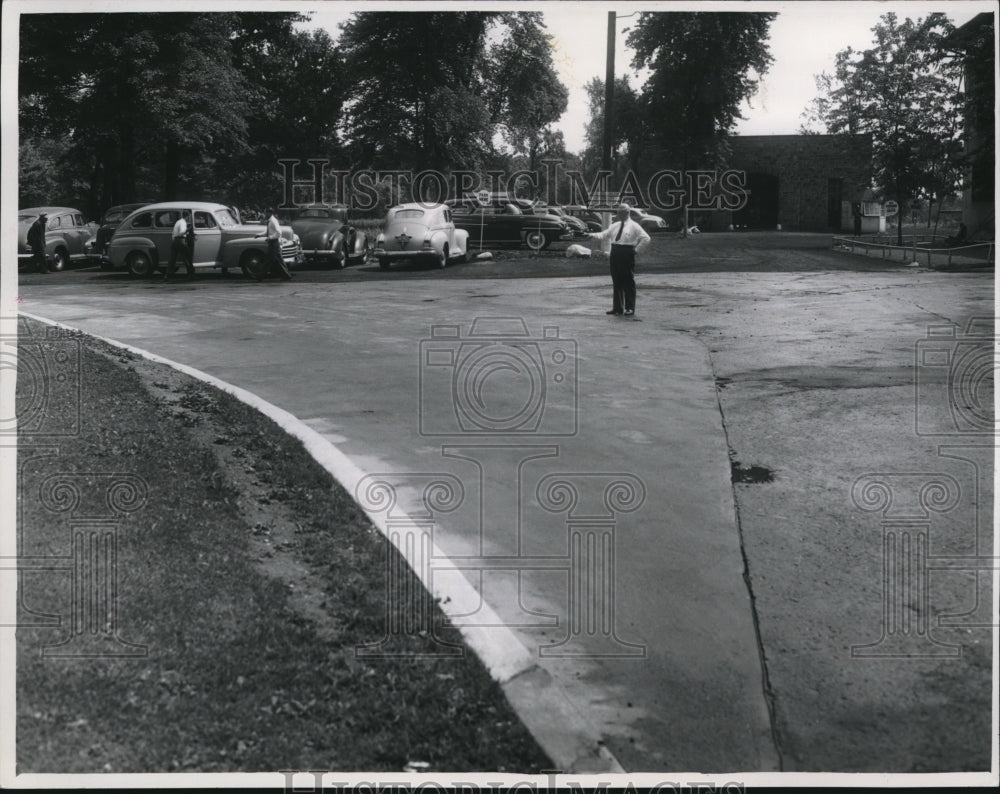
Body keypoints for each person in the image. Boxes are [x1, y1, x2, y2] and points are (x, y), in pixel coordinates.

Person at [587, 203, 650, 317]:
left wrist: (636, 250)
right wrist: (593, 235)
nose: (619, 214)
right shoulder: (615, 225)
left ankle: (630, 307)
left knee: (628, 280)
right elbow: (605, 234)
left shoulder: (634, 226)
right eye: (618, 212)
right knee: (616, 280)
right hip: (615, 251)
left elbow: (646, 238)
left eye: (621, 212)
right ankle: (618, 307)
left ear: (627, 212)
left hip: (627, 252)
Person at [163, 211, 195, 281]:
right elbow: (181, 232)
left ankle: (167, 275)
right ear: (187, 216)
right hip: (181, 240)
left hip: (175, 241)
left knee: (172, 259)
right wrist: (189, 229)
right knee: (187, 257)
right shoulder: (183, 223)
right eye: (189, 216)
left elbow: (174, 233)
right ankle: (191, 274)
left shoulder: (178, 221)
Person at [264, 208, 292, 281]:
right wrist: (260, 235)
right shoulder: (271, 221)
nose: (265, 214)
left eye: (266, 213)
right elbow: (269, 231)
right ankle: (286, 275)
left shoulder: (273, 221)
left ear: (269, 213)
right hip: (273, 242)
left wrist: (270, 237)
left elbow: (279, 232)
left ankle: (261, 275)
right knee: (276, 260)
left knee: (271, 260)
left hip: (274, 243)